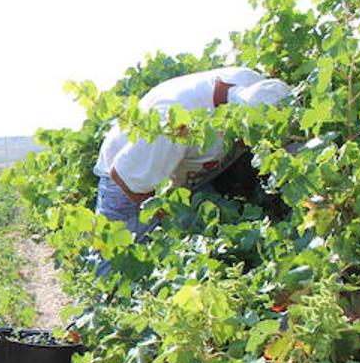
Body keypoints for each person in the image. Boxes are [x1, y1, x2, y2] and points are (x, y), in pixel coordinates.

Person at [93, 67, 291, 241]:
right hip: (130, 181)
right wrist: (180, 223)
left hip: (190, 172)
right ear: (235, 118)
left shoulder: (255, 87)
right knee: (112, 270)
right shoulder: (175, 123)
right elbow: (125, 177)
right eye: (248, 137)